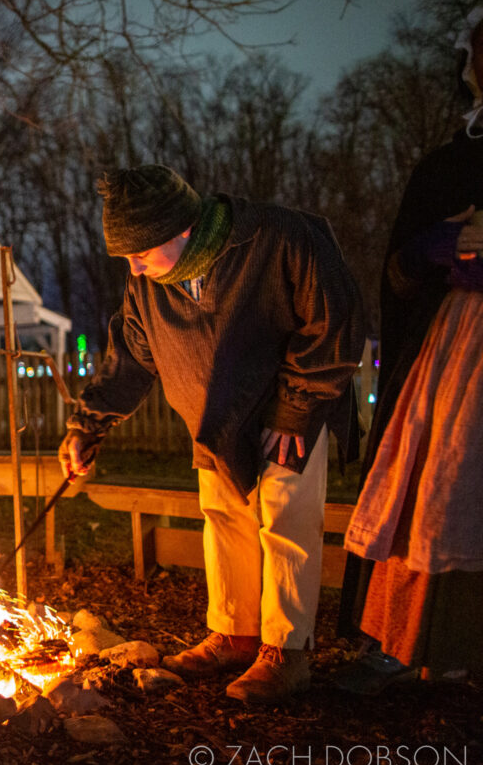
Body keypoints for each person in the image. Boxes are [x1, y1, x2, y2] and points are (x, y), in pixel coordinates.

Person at [58, 164, 364, 703]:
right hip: (213, 420)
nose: (133, 267)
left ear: (180, 229)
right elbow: (133, 355)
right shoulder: (149, 284)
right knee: (224, 518)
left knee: (286, 519)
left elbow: (332, 322)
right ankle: (236, 633)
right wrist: (90, 424)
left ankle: (286, 652)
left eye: (140, 253)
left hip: (285, 413)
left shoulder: (278, 238)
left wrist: (294, 411)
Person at [335, 7, 483, 694]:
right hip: (450, 353)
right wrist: (432, 255)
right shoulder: (448, 167)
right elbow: (397, 272)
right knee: (431, 480)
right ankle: (406, 642)